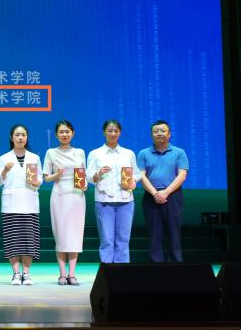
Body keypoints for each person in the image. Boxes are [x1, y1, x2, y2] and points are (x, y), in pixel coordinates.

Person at [87, 119, 140, 264]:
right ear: (104, 132)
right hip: (104, 201)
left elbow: (137, 173)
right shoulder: (95, 153)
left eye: (116, 131)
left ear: (120, 133)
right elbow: (88, 177)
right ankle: (107, 270)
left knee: (123, 239)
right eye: (110, 131)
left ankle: (122, 272)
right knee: (107, 239)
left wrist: (133, 181)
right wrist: (98, 173)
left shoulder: (128, 153)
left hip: (126, 200)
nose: (113, 134)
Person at [0, 125, 42, 286]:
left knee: (29, 239)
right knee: (13, 239)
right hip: (11, 204)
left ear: (27, 137)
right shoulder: (4, 158)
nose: (20, 138)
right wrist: (5, 171)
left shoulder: (34, 158)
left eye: (23, 135)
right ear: (11, 138)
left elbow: (40, 179)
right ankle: (15, 273)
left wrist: (37, 182)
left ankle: (26, 274)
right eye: (17, 135)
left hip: (29, 202)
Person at [43, 119, 88, 286]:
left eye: (67, 131)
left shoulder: (80, 152)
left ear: (72, 133)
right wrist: (57, 175)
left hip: (77, 196)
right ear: (56, 135)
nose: (64, 134)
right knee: (61, 235)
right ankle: (62, 274)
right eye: (61, 132)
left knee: (75, 234)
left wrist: (84, 184)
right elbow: (46, 178)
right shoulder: (51, 153)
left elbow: (83, 174)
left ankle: (72, 274)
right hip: (59, 195)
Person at [137, 120, 189, 263]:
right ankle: (156, 267)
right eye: (156, 131)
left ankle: (176, 265)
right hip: (151, 196)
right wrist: (155, 193)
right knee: (154, 234)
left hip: (173, 196)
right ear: (151, 134)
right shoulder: (143, 153)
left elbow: (182, 175)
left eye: (163, 131)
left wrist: (166, 192)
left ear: (169, 134)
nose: (159, 133)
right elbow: (141, 176)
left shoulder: (179, 152)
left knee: (174, 233)